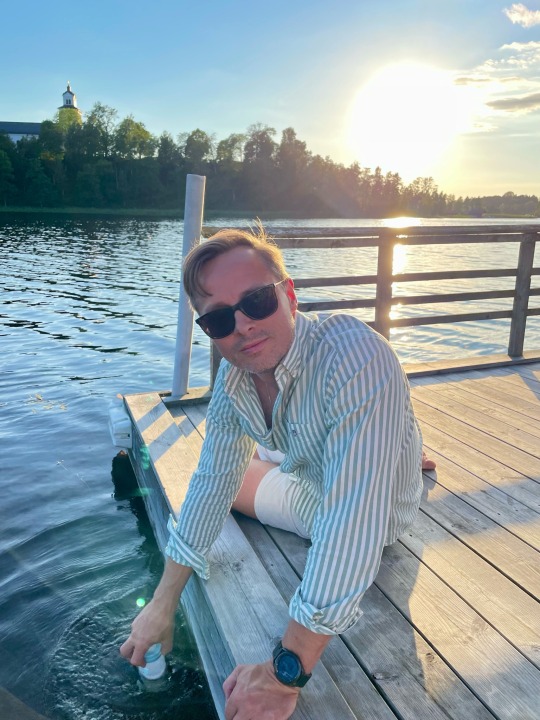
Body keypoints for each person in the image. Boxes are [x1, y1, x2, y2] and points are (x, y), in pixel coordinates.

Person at [120, 227, 434, 720]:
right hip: (309, 465)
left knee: (245, 477)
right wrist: (162, 601)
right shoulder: (236, 376)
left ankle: (393, 445)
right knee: (228, 466)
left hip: (365, 509)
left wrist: (284, 673)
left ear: (289, 294)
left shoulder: (356, 355)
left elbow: (352, 527)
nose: (243, 326)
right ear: (209, 330)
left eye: (258, 301)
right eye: (219, 319)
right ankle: (392, 438)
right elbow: (211, 480)